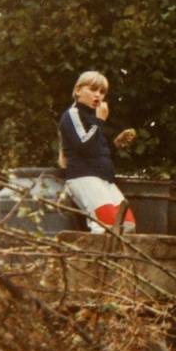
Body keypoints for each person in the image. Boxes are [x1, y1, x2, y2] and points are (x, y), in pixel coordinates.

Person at [59, 71, 137, 233]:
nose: (98, 95)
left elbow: (97, 152)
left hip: (104, 178)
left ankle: (119, 258)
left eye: (102, 92)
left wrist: (115, 145)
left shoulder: (93, 118)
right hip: (83, 176)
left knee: (128, 225)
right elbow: (83, 147)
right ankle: (98, 258)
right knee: (106, 223)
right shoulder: (73, 114)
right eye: (93, 89)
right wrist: (100, 121)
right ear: (78, 90)